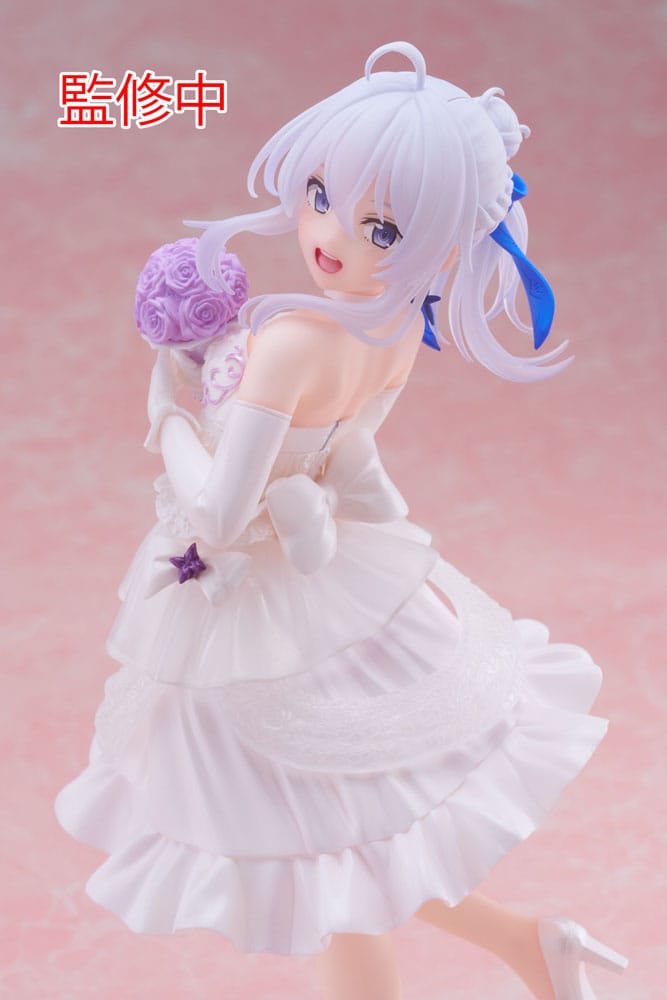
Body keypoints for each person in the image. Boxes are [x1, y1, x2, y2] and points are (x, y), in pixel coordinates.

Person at [55, 41, 628, 1000]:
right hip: (333, 584)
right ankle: (535, 946)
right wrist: (222, 387)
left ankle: (533, 947)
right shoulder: (396, 325)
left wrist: (169, 418)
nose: (330, 236)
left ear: (440, 245)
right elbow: (345, 450)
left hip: (265, 610)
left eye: (381, 228)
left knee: (325, 847)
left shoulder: (292, 343)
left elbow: (219, 515)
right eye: (322, 195)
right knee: (346, 847)